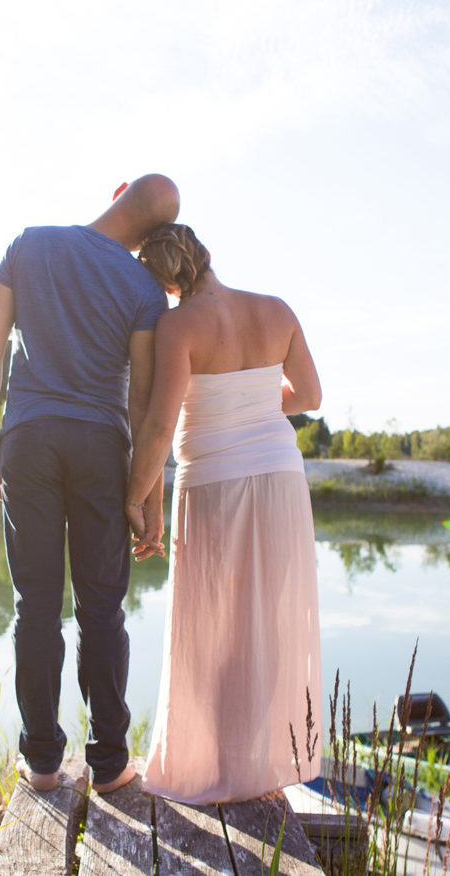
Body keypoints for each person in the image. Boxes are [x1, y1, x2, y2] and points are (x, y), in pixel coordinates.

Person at [0, 175, 180, 794]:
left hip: (28, 440)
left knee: (35, 604)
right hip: (101, 448)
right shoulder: (146, 288)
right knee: (101, 610)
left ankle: (40, 762)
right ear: (152, 235)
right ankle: (110, 765)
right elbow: (144, 403)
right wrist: (150, 497)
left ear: (118, 195)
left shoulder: (29, 244)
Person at [125, 223, 323, 803]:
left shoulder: (177, 325)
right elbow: (309, 395)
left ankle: (216, 768)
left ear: (164, 279)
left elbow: (161, 424)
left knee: (211, 625)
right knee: (264, 621)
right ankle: (257, 768)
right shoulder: (276, 310)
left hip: (212, 481)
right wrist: (255, 405)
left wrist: (136, 498)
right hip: (281, 477)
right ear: (205, 255)